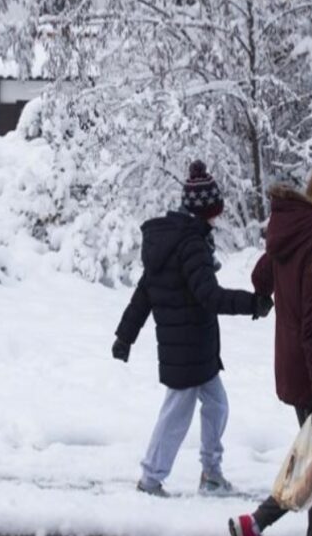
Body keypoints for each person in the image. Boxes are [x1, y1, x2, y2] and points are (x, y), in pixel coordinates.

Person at [113, 160, 274, 497]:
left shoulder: (173, 242)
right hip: (187, 350)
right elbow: (209, 296)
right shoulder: (189, 245)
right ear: (207, 212)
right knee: (176, 415)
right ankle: (150, 480)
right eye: (215, 212)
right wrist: (253, 304)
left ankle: (211, 474)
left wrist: (124, 337)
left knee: (217, 406)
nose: (218, 218)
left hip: (195, 348)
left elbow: (144, 294)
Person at [229, 161, 312, 536]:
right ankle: (272, 530)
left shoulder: (292, 235)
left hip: (294, 367)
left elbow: (260, 279)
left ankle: (254, 526)